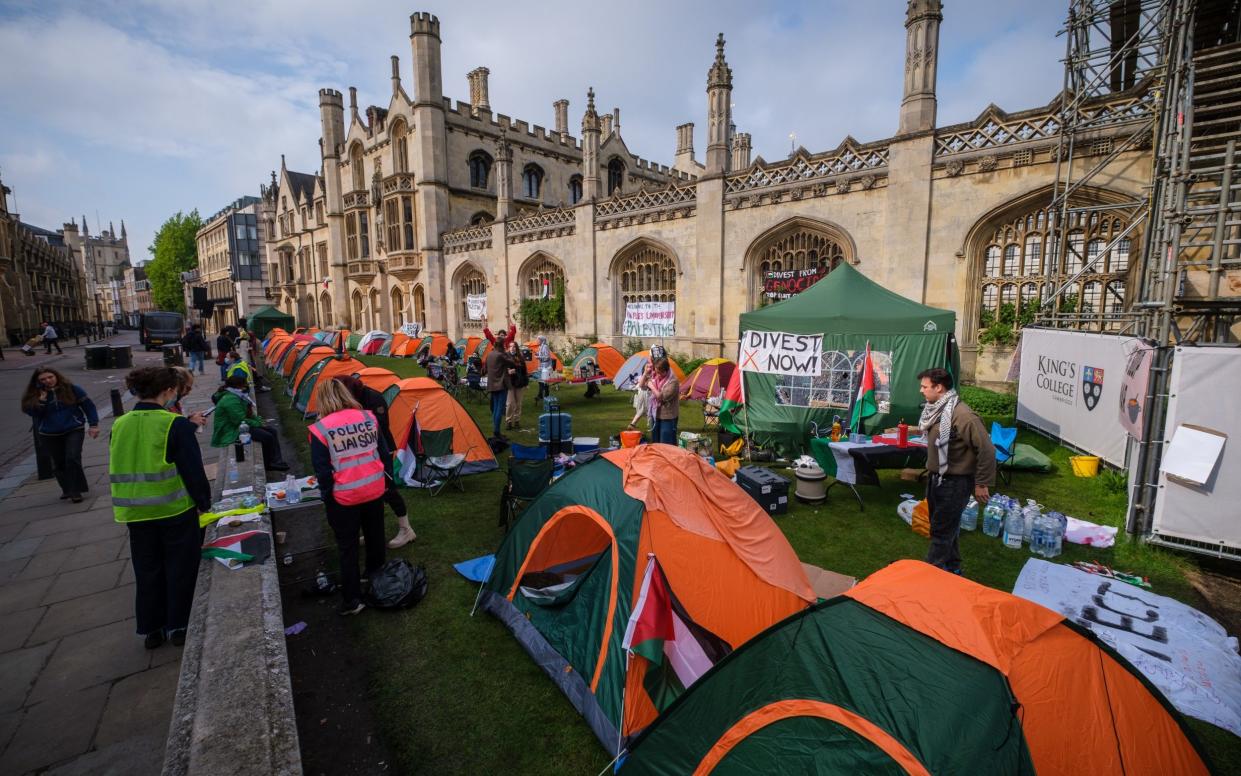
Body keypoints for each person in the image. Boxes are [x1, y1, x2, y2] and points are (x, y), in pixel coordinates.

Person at [112, 366, 212, 648]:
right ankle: (179, 625)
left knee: (147, 569)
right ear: (168, 391)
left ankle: (151, 629)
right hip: (173, 509)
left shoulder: (120, 423)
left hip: (134, 510)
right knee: (180, 566)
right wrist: (203, 502)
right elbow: (193, 470)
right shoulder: (174, 424)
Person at [309, 378, 391, 616]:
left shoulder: (321, 428)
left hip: (344, 496)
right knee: (375, 539)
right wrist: (387, 482)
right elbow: (383, 454)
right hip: (374, 488)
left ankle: (353, 600)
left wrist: (328, 498)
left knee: (348, 547)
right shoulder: (368, 417)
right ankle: (378, 584)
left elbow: (322, 471)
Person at [917, 367, 996, 575]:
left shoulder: (963, 415)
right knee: (942, 527)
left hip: (955, 482)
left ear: (939, 387)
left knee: (942, 531)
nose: (921, 390)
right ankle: (953, 568)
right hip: (937, 478)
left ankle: (931, 575)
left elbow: (987, 450)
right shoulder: (938, 410)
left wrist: (981, 483)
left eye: (925, 387)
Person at [335, 376, 416, 548]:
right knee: (368, 492)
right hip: (365, 452)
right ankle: (371, 531)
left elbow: (378, 427)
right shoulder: (355, 398)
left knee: (388, 489)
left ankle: (406, 529)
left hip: (382, 449)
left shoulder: (373, 398)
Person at [21, 367, 99, 502]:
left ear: (56, 376)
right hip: (49, 433)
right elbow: (34, 414)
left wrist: (93, 425)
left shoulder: (72, 388)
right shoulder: (35, 394)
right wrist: (42, 400)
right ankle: (66, 488)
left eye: (50, 377)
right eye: (43, 379)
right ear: (37, 382)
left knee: (72, 457)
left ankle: (75, 491)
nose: (48, 381)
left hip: (73, 428)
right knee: (59, 462)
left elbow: (88, 405)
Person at [210, 374, 290, 471]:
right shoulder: (230, 400)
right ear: (238, 386)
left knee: (272, 431)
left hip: (239, 426)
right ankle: (269, 463)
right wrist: (258, 424)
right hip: (230, 430)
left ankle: (276, 460)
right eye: (244, 386)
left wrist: (258, 421)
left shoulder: (236, 395)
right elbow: (240, 420)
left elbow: (248, 414)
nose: (245, 388)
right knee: (266, 436)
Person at [485, 332, 514, 438]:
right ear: (502, 346)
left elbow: (484, 369)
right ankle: (496, 431)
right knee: (499, 409)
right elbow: (512, 363)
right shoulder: (501, 355)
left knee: (495, 408)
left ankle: (496, 430)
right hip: (501, 385)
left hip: (492, 384)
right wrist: (506, 352)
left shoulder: (489, 354)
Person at [647, 357, 680, 445]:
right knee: (655, 442)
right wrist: (646, 373)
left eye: (659, 373)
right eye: (656, 372)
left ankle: (669, 458)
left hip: (668, 417)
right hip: (656, 414)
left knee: (666, 443)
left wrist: (651, 386)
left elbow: (660, 397)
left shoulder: (673, 381)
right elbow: (642, 385)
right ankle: (657, 458)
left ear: (666, 371)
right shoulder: (657, 378)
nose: (657, 375)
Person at [505, 339, 529, 430]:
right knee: (510, 403)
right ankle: (509, 421)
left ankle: (517, 421)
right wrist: (508, 371)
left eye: (514, 346)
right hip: (509, 383)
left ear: (517, 348)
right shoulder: (506, 357)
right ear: (508, 348)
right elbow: (502, 369)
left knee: (518, 403)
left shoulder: (520, 357)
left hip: (519, 383)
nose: (512, 348)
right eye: (511, 346)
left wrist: (526, 383)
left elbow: (524, 371)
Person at [630, 363, 653, 429]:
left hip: (650, 395)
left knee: (650, 411)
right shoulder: (641, 376)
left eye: (651, 367)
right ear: (644, 369)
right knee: (641, 410)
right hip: (643, 395)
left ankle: (651, 425)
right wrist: (645, 374)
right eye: (647, 367)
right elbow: (641, 385)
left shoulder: (653, 376)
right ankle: (632, 424)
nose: (649, 368)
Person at [534, 335, 554, 401]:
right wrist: (537, 354)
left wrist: (539, 357)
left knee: (545, 381)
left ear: (541, 340)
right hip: (542, 366)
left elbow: (547, 357)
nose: (537, 341)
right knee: (541, 381)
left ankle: (545, 395)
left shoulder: (545, 346)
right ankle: (541, 395)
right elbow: (542, 354)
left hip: (546, 366)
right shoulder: (541, 346)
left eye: (538, 340)